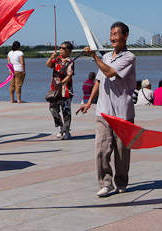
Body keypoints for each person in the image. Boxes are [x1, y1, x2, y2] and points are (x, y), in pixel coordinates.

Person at [76, 22, 136, 197]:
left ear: (125, 36)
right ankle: (105, 183)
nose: (112, 38)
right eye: (110, 34)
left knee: (122, 151)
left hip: (123, 112)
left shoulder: (129, 57)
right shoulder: (107, 56)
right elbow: (99, 80)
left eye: (116, 34)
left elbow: (110, 72)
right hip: (103, 111)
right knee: (101, 149)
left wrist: (95, 57)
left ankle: (121, 182)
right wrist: (89, 102)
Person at [46, 41, 75, 140]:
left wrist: (62, 83)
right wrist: (51, 57)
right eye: (60, 48)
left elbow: (69, 75)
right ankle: (61, 126)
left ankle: (66, 131)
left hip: (65, 90)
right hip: (54, 90)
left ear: (69, 50)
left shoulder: (70, 62)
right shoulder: (57, 59)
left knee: (66, 110)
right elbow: (48, 65)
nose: (61, 50)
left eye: (64, 48)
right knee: (53, 109)